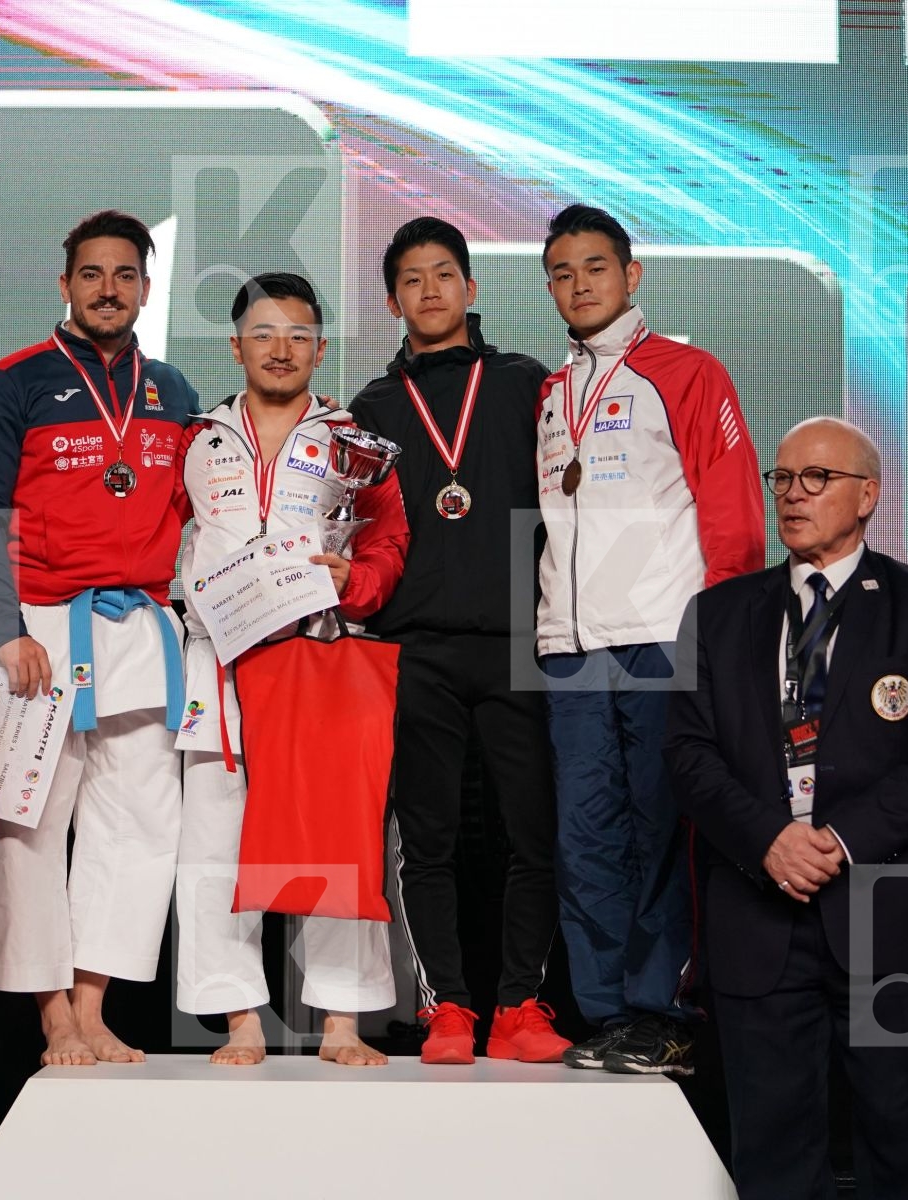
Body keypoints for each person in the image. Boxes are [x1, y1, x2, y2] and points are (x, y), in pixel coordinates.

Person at [665, 417, 908, 1198]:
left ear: (868, 495)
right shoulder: (718, 613)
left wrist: (838, 839)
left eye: (817, 478)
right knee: (773, 1158)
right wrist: (768, 839)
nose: (793, 494)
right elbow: (686, 753)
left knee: (906, 1152)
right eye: (782, 478)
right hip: (759, 919)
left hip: (893, 911)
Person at [0, 210, 199, 1065]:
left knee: (138, 824)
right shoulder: (12, 381)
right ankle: (51, 1012)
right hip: (45, 629)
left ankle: (93, 1005)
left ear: (146, 288)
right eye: (92, 274)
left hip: (143, 628)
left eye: (125, 275)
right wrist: (4, 630)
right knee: (27, 823)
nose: (108, 289)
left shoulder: (173, 390)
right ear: (65, 285)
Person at [535, 203, 765, 1076]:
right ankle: (605, 1012)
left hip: (665, 637)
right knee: (585, 835)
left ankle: (665, 1011)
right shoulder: (551, 395)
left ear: (631, 275)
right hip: (569, 645)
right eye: (561, 272)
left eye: (595, 266)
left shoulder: (688, 372)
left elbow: (732, 509)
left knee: (661, 828)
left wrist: (726, 637)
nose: (579, 284)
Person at [348, 216, 569, 1065]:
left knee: (532, 834)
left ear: (471, 288)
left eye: (444, 274)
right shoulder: (371, 409)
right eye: (412, 279)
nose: (430, 290)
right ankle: (447, 1006)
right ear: (393, 300)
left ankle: (520, 1005)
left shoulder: (525, 384)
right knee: (427, 839)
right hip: (415, 647)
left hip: (518, 638)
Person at [175, 272, 408, 1067]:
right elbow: (159, 536)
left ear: (321, 348)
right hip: (220, 663)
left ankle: (341, 1020)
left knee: (333, 830)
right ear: (235, 345)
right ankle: (238, 1015)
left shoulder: (354, 440)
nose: (281, 349)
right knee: (213, 837)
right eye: (264, 334)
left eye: (298, 335)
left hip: (316, 652)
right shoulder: (197, 438)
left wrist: (359, 582)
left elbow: (388, 537)